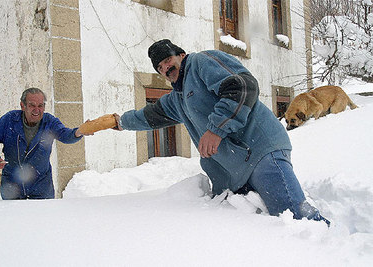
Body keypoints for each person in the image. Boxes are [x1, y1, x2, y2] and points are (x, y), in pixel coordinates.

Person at [114, 39, 330, 225]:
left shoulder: (200, 63)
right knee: (259, 230)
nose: (165, 68)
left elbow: (243, 87)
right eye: (159, 67)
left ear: (181, 55)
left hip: (262, 152)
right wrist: (120, 122)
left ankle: (332, 251)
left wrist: (215, 130)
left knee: (296, 220)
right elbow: (148, 116)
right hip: (235, 173)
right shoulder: (176, 99)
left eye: (167, 60)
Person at [0, 88, 86, 200]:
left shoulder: (49, 122)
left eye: (40, 105)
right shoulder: (10, 120)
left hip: (41, 186)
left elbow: (65, 135)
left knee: (43, 217)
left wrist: (79, 131)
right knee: (13, 217)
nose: (37, 110)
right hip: (12, 186)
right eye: (32, 105)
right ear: (23, 106)